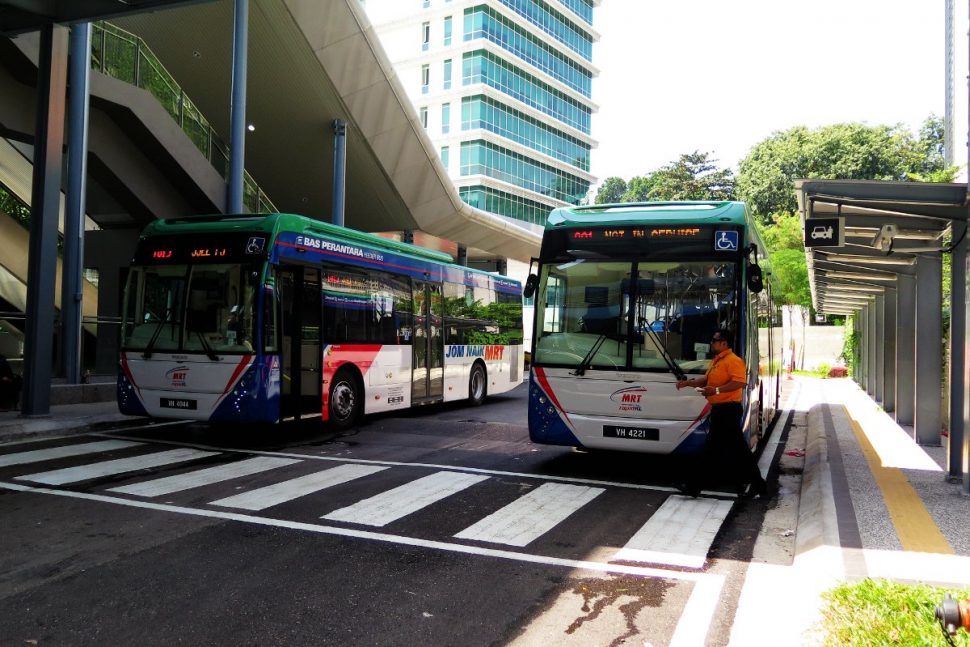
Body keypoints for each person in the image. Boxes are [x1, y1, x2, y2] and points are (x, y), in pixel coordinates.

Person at [674, 329, 768, 499]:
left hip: (729, 410)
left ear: (724, 343)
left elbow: (739, 382)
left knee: (731, 450)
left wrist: (716, 390)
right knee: (717, 449)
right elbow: (707, 380)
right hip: (720, 410)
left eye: (714, 340)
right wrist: (688, 383)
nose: (711, 343)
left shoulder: (733, 361)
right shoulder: (717, 361)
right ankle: (758, 485)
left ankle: (694, 486)